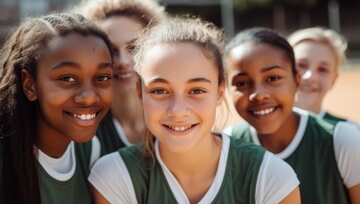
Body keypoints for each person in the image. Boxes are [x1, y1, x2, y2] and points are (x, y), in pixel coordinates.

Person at [88, 17, 301, 204]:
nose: (178, 110)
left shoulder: (270, 177)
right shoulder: (115, 176)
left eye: (197, 90)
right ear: (140, 93)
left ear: (219, 92)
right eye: (160, 90)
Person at [224, 27, 360, 203]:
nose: (258, 94)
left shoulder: (344, 140)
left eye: (272, 78)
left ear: (296, 80)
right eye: (242, 82)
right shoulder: (227, 146)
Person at [0, 13, 114, 204]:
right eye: (67, 78)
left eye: (102, 78)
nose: (89, 97)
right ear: (30, 85)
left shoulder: (89, 150)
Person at [70, 0, 167, 155]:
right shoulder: (80, 129)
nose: (123, 61)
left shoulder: (177, 118)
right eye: (110, 49)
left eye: (134, 48)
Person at [288, 27, 358, 124]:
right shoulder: (260, 126)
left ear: (334, 80)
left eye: (323, 69)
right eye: (301, 65)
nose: (310, 76)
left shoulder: (348, 132)